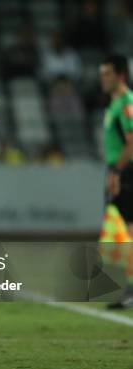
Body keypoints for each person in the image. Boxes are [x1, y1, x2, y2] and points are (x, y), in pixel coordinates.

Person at [100, 54, 133, 309]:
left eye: (107, 73)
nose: (103, 78)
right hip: (119, 171)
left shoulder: (126, 104)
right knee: (123, 233)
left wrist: (117, 173)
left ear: (120, 75)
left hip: (127, 174)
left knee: (129, 232)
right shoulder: (114, 104)